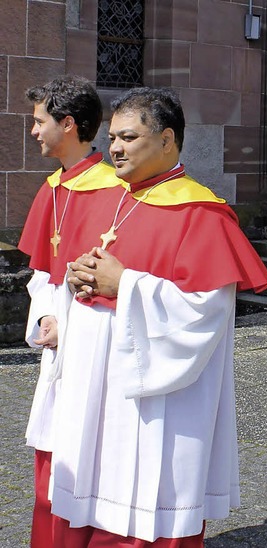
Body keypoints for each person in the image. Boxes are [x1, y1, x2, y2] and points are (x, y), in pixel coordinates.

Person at [43, 87, 267, 546]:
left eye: (128, 137)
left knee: (144, 503)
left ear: (167, 139)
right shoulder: (111, 197)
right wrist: (77, 280)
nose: (114, 149)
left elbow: (206, 312)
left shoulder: (201, 212)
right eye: (111, 138)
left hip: (153, 396)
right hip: (94, 385)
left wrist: (123, 285)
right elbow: (79, 270)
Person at [17, 75, 122, 548]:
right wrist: (44, 317)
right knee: (52, 454)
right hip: (57, 346)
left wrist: (72, 321)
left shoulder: (115, 192)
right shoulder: (51, 188)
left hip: (96, 350)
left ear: (68, 124)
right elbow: (42, 272)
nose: (33, 131)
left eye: (40, 122)